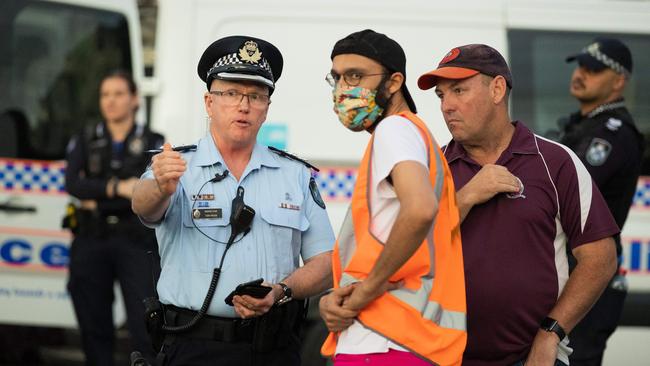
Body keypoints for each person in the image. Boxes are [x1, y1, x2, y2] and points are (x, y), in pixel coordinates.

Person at [131, 35, 334, 366]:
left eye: (256, 96)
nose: (244, 105)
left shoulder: (294, 174)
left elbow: (326, 262)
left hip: (275, 349)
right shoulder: (176, 166)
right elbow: (142, 205)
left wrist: (280, 291)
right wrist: (161, 187)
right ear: (209, 103)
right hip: (195, 347)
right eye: (231, 93)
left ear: (267, 108)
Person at [417, 44, 620, 366]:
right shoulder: (430, 167)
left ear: (497, 89)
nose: (447, 106)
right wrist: (464, 198)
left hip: (531, 359)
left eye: (459, 90)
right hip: (441, 356)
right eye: (441, 96)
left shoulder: (556, 162)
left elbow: (601, 258)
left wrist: (551, 333)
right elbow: (406, 254)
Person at [318, 29, 467, 366]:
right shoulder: (416, 133)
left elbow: (420, 210)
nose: (344, 89)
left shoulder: (394, 130)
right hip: (411, 340)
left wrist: (365, 293)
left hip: (383, 338)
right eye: (337, 77)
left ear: (394, 81)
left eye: (356, 75)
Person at [64, 70, 164, 366]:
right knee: (93, 325)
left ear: (134, 99)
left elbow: (154, 189)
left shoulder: (153, 140)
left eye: (119, 94)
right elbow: (73, 185)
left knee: (145, 324)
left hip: (136, 240)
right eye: (105, 94)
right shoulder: (85, 138)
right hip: (91, 239)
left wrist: (99, 196)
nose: (111, 101)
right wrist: (119, 188)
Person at [559, 38, 644, 366]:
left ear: (619, 81)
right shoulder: (583, 124)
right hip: (574, 271)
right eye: (580, 65)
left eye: (593, 69)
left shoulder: (612, 132)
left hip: (589, 277)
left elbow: (565, 188)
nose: (580, 74)